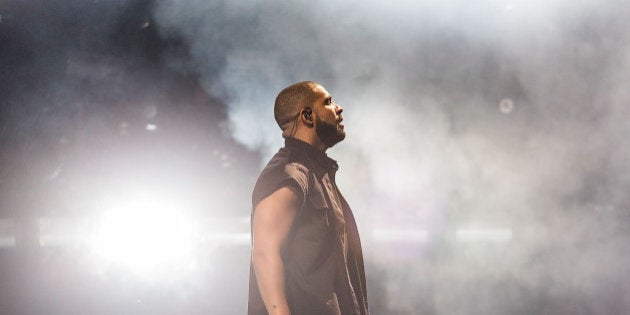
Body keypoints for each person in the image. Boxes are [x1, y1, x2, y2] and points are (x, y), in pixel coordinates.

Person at [248, 81, 369, 315]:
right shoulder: (290, 172)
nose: (339, 108)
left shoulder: (316, 172)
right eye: (328, 102)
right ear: (307, 116)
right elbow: (264, 253)